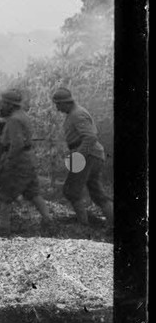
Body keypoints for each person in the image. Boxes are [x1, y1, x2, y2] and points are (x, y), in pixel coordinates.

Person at [53, 87, 113, 228]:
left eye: (58, 104)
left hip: (88, 155)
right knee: (97, 194)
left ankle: (84, 226)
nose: (57, 108)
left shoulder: (77, 114)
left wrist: (78, 156)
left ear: (65, 102)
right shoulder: (75, 113)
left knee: (71, 191)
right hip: (93, 155)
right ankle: (112, 225)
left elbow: (90, 137)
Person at [0, 89, 53, 234]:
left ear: (9, 104)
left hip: (18, 161)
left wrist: (8, 160)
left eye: (3, 103)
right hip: (28, 159)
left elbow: (17, 144)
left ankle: (3, 229)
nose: (1, 105)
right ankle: (49, 221)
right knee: (33, 193)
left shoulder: (14, 119)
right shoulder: (21, 116)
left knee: (6, 196)